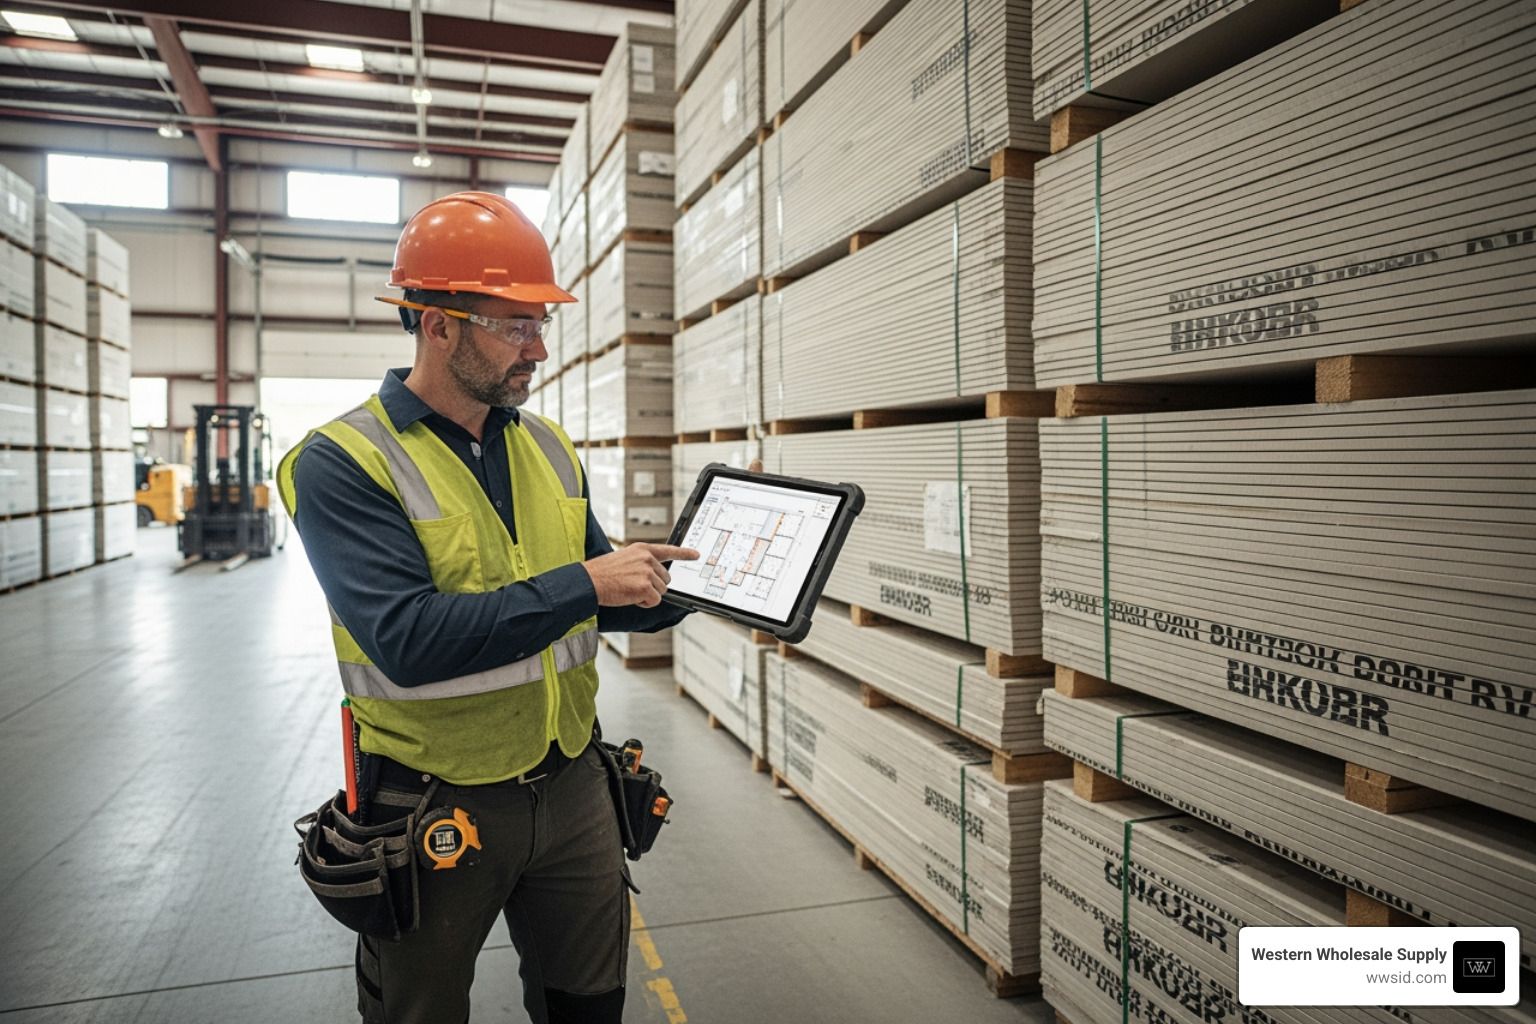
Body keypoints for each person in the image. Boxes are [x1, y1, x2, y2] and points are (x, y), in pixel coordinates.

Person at [276, 191, 698, 1024]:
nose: (538, 349)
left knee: (589, 1003)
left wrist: (693, 588)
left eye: (541, 324)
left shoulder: (547, 445)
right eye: (515, 326)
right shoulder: (342, 462)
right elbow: (408, 641)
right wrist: (591, 583)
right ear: (438, 326)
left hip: (573, 780)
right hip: (437, 802)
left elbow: (591, 601)